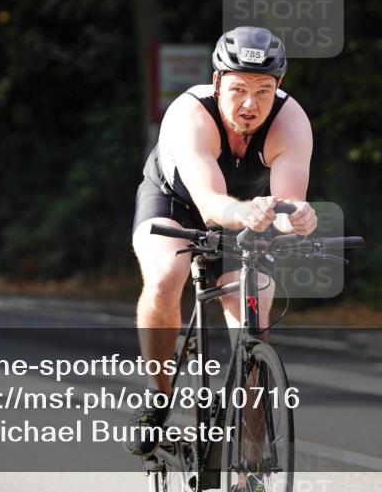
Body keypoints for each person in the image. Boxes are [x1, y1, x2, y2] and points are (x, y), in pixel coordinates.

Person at [128, 26, 318, 457]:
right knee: (166, 276)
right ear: (216, 83)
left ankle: (252, 461)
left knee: (250, 312)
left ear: (278, 88)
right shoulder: (190, 115)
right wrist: (249, 212)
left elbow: (287, 205)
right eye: (237, 89)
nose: (251, 104)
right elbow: (212, 202)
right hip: (176, 202)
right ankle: (158, 396)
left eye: (263, 90)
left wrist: (299, 218)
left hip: (247, 212)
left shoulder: (291, 122)